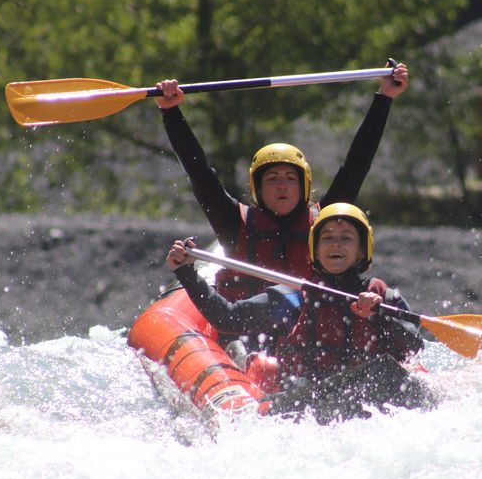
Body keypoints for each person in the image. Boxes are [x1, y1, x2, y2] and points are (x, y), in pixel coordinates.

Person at [155, 61, 409, 302]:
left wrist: (384, 98)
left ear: (303, 187)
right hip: (241, 334)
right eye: (272, 179)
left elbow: (357, 164)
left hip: (302, 336)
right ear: (257, 189)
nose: (282, 186)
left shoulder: (325, 222)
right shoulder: (232, 222)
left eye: (290, 179)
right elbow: (199, 172)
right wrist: (170, 111)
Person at [165, 204, 425, 419]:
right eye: (328, 238)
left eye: (346, 239)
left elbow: (414, 348)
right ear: (315, 249)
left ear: (360, 250)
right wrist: (187, 273)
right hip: (310, 397)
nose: (336, 245)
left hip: (371, 394)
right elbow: (227, 317)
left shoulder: (383, 298)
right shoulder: (293, 296)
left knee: (386, 374)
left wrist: (379, 316)